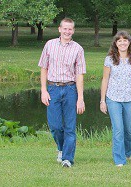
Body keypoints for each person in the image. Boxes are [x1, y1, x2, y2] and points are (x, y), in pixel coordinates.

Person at [38, 18, 86, 168]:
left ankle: (67, 158)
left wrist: (81, 98)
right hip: (53, 89)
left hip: (71, 89)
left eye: (70, 29)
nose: (67, 31)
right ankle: (61, 148)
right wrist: (43, 90)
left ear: (73, 31)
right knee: (55, 126)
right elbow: (43, 68)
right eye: (65, 29)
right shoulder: (49, 45)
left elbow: (79, 74)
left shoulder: (78, 49)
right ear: (59, 29)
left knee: (70, 127)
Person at [99, 31, 131, 167]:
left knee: (129, 130)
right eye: (119, 41)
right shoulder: (109, 59)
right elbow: (105, 80)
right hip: (113, 98)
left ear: (129, 43)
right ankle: (119, 159)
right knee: (118, 129)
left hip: (130, 98)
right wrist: (102, 100)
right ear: (115, 44)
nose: (122, 43)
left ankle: (127, 153)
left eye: (125, 40)